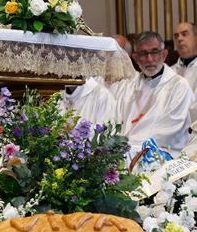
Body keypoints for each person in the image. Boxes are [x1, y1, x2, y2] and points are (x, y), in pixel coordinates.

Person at [64, 31, 193, 157]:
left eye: (154, 52)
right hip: (127, 153)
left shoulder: (179, 86)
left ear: (164, 54)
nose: (149, 59)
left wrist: (128, 145)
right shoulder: (128, 87)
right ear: (135, 58)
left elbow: (168, 131)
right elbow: (114, 121)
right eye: (143, 54)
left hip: (165, 155)